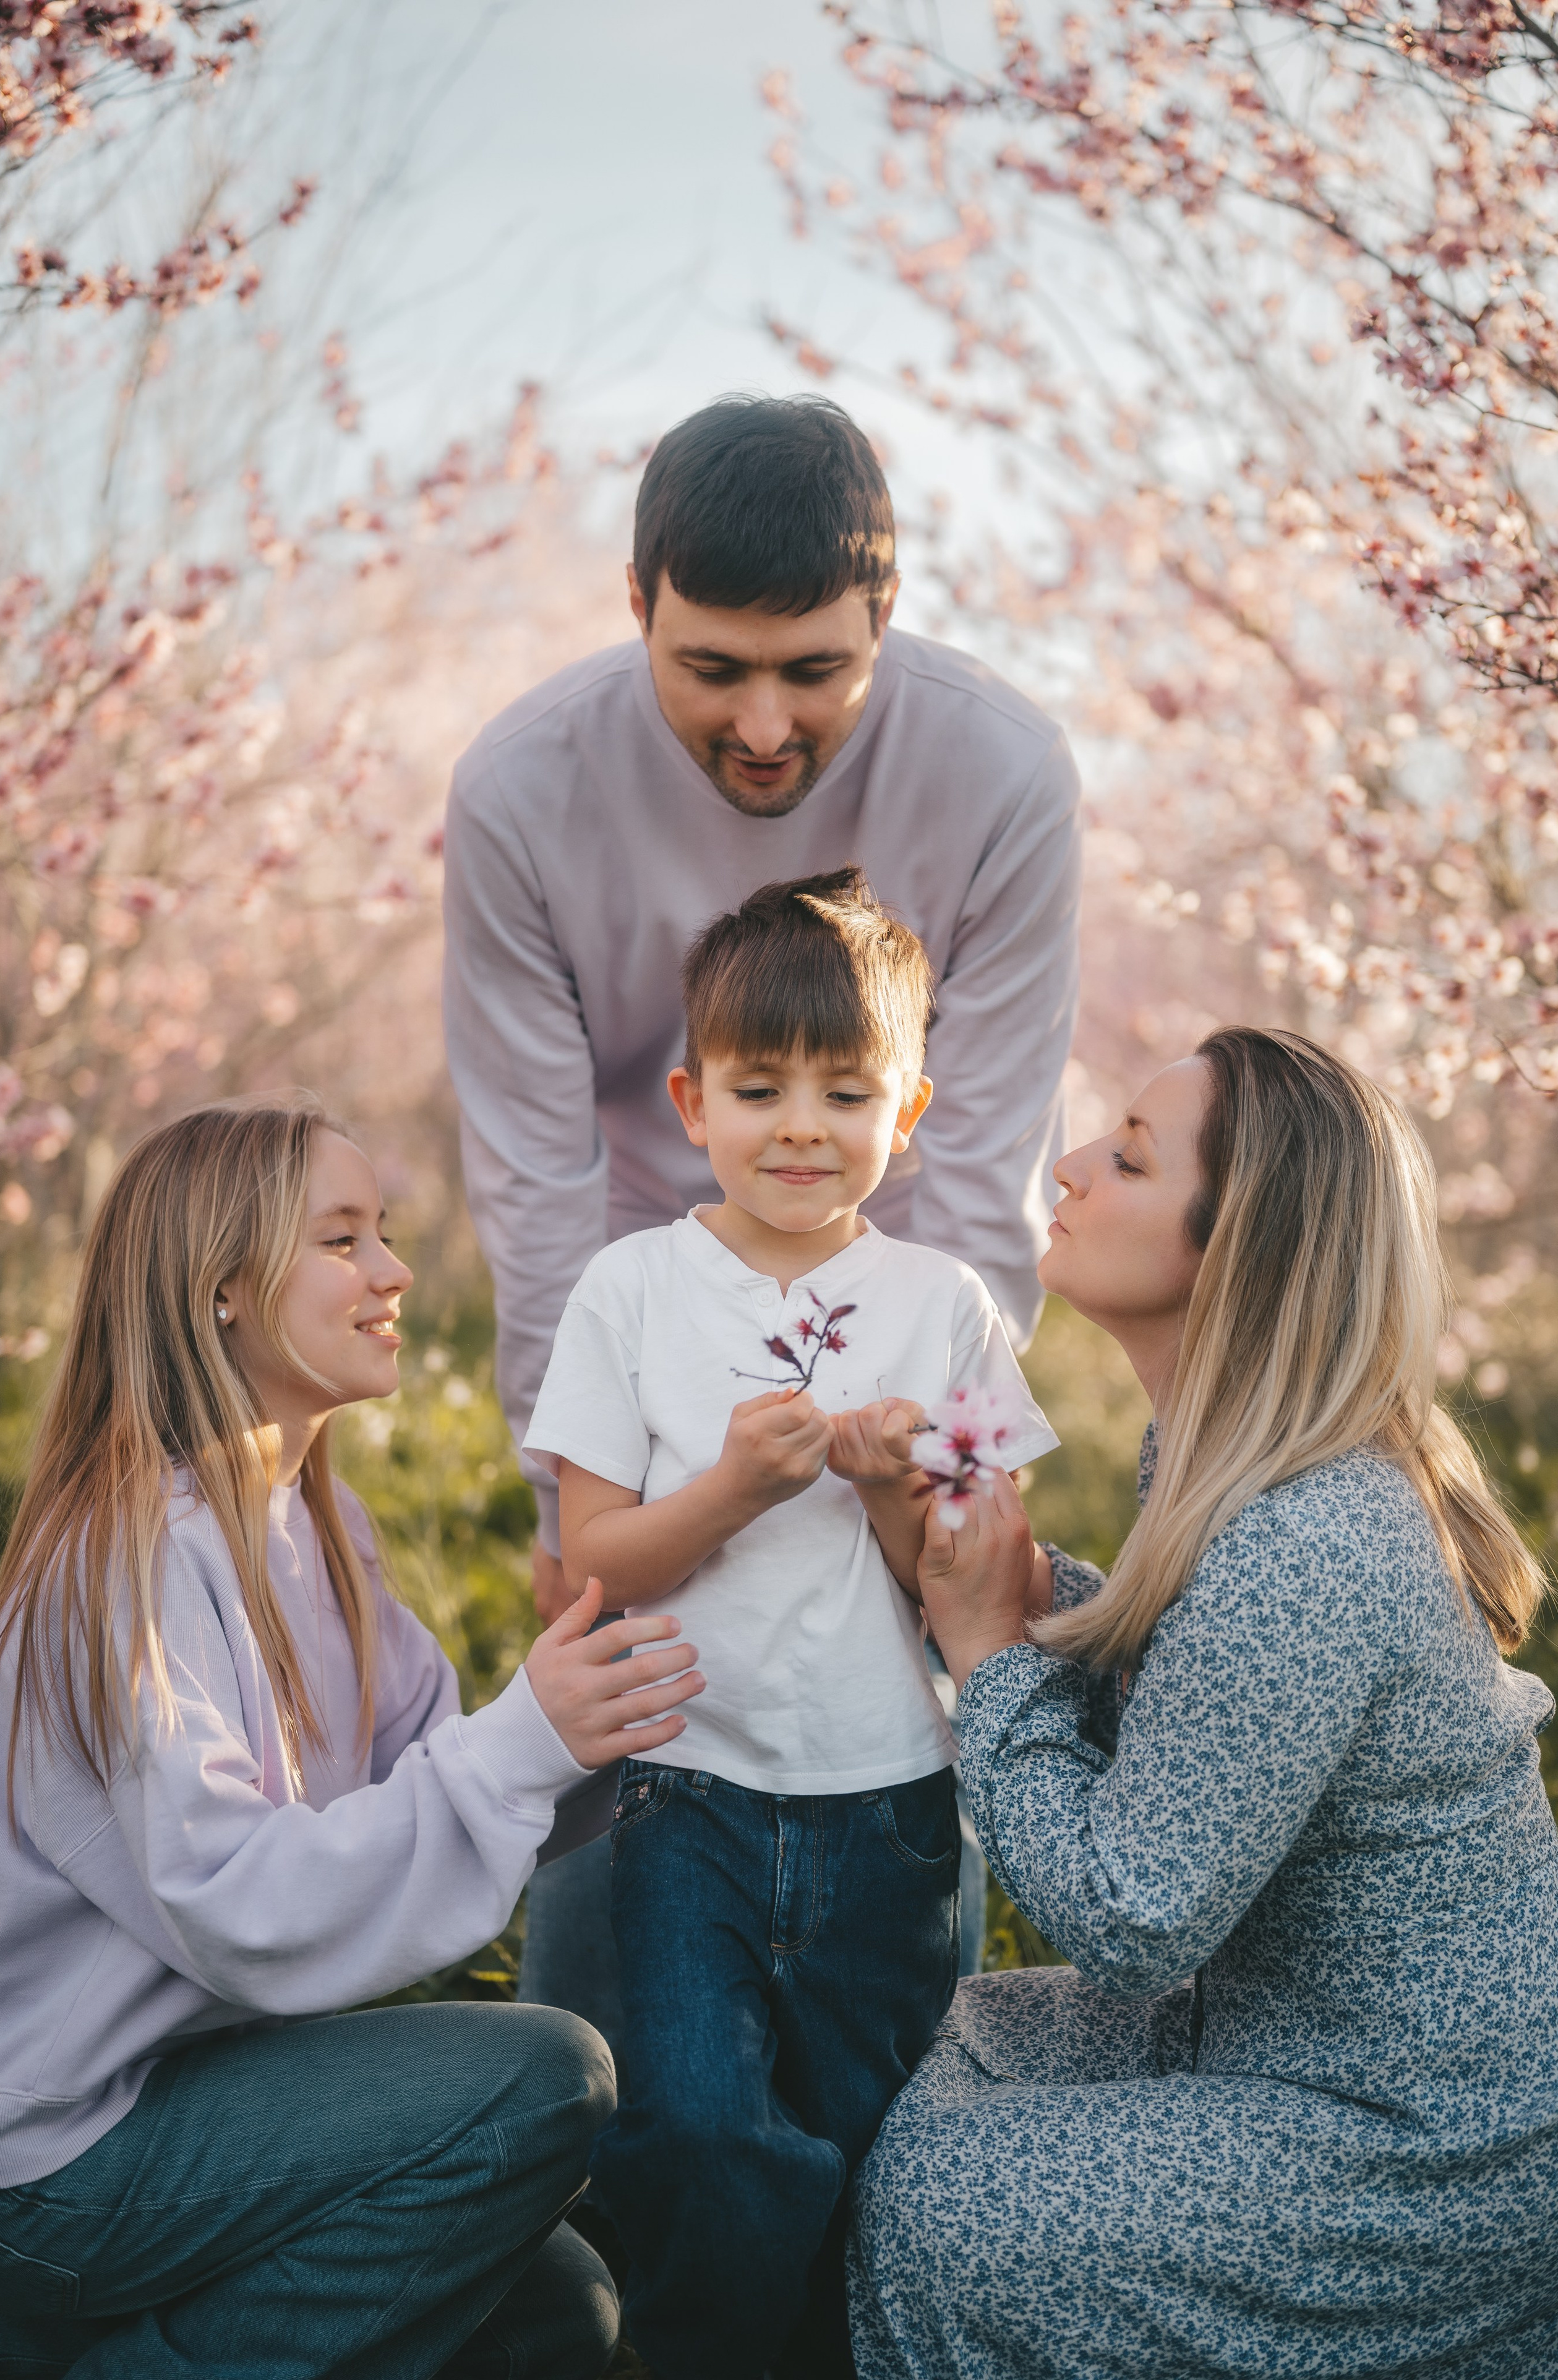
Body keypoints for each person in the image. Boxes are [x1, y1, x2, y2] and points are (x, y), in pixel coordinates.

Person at [442, 391, 1081, 2035]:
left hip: (887, 1264)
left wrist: (943, 1491)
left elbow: (982, 1173)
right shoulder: (524, 785)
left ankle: (891, 2096)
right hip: (631, 1279)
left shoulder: (1003, 772)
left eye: (819, 671)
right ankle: (611, 2109)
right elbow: (536, 1175)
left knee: (879, 1668)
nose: (770, 727)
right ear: (638, 604)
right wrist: (560, 1474)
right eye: (713, 669)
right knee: (629, 1673)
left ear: (889, 614)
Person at [847, 1028, 1558, 2378]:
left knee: (941, 2201)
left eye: (1123, 1155)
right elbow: (1200, 1712)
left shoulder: (1307, 1543)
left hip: (1424, 2139)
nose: (1064, 1166)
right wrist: (1013, 1582)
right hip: (1291, 2035)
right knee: (941, 2031)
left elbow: (1135, 1912)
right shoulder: (1231, 1465)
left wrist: (992, 1647)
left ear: (1237, 1243)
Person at [0, 1097, 705, 2379]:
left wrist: (638, 1704)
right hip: (51, 2154)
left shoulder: (317, 1527)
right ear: (221, 1290)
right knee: (548, 2078)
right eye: (342, 1240)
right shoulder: (123, 1560)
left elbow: (447, 1755)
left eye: (382, 1231)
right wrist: (524, 1743)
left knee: (557, 2308)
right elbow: (236, 1900)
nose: (392, 1271)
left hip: (198, 2088)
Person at [521, 872, 1058, 2379]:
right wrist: (732, 1491)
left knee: (867, 2121)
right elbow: (594, 1561)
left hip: (885, 1799)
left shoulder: (942, 1303)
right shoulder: (629, 1290)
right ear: (692, 1100)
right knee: (694, 2116)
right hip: (685, 1787)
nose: (801, 1126)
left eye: (846, 1089)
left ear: (913, 1105)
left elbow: (980, 1587)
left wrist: (899, 1496)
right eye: (759, 1088)